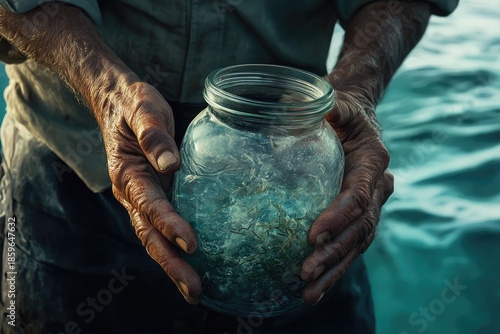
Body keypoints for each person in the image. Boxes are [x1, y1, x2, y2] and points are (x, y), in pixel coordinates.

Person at [0, 1, 458, 333]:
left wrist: (356, 88)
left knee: (314, 270)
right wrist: (103, 87)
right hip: (68, 163)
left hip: (298, 152)